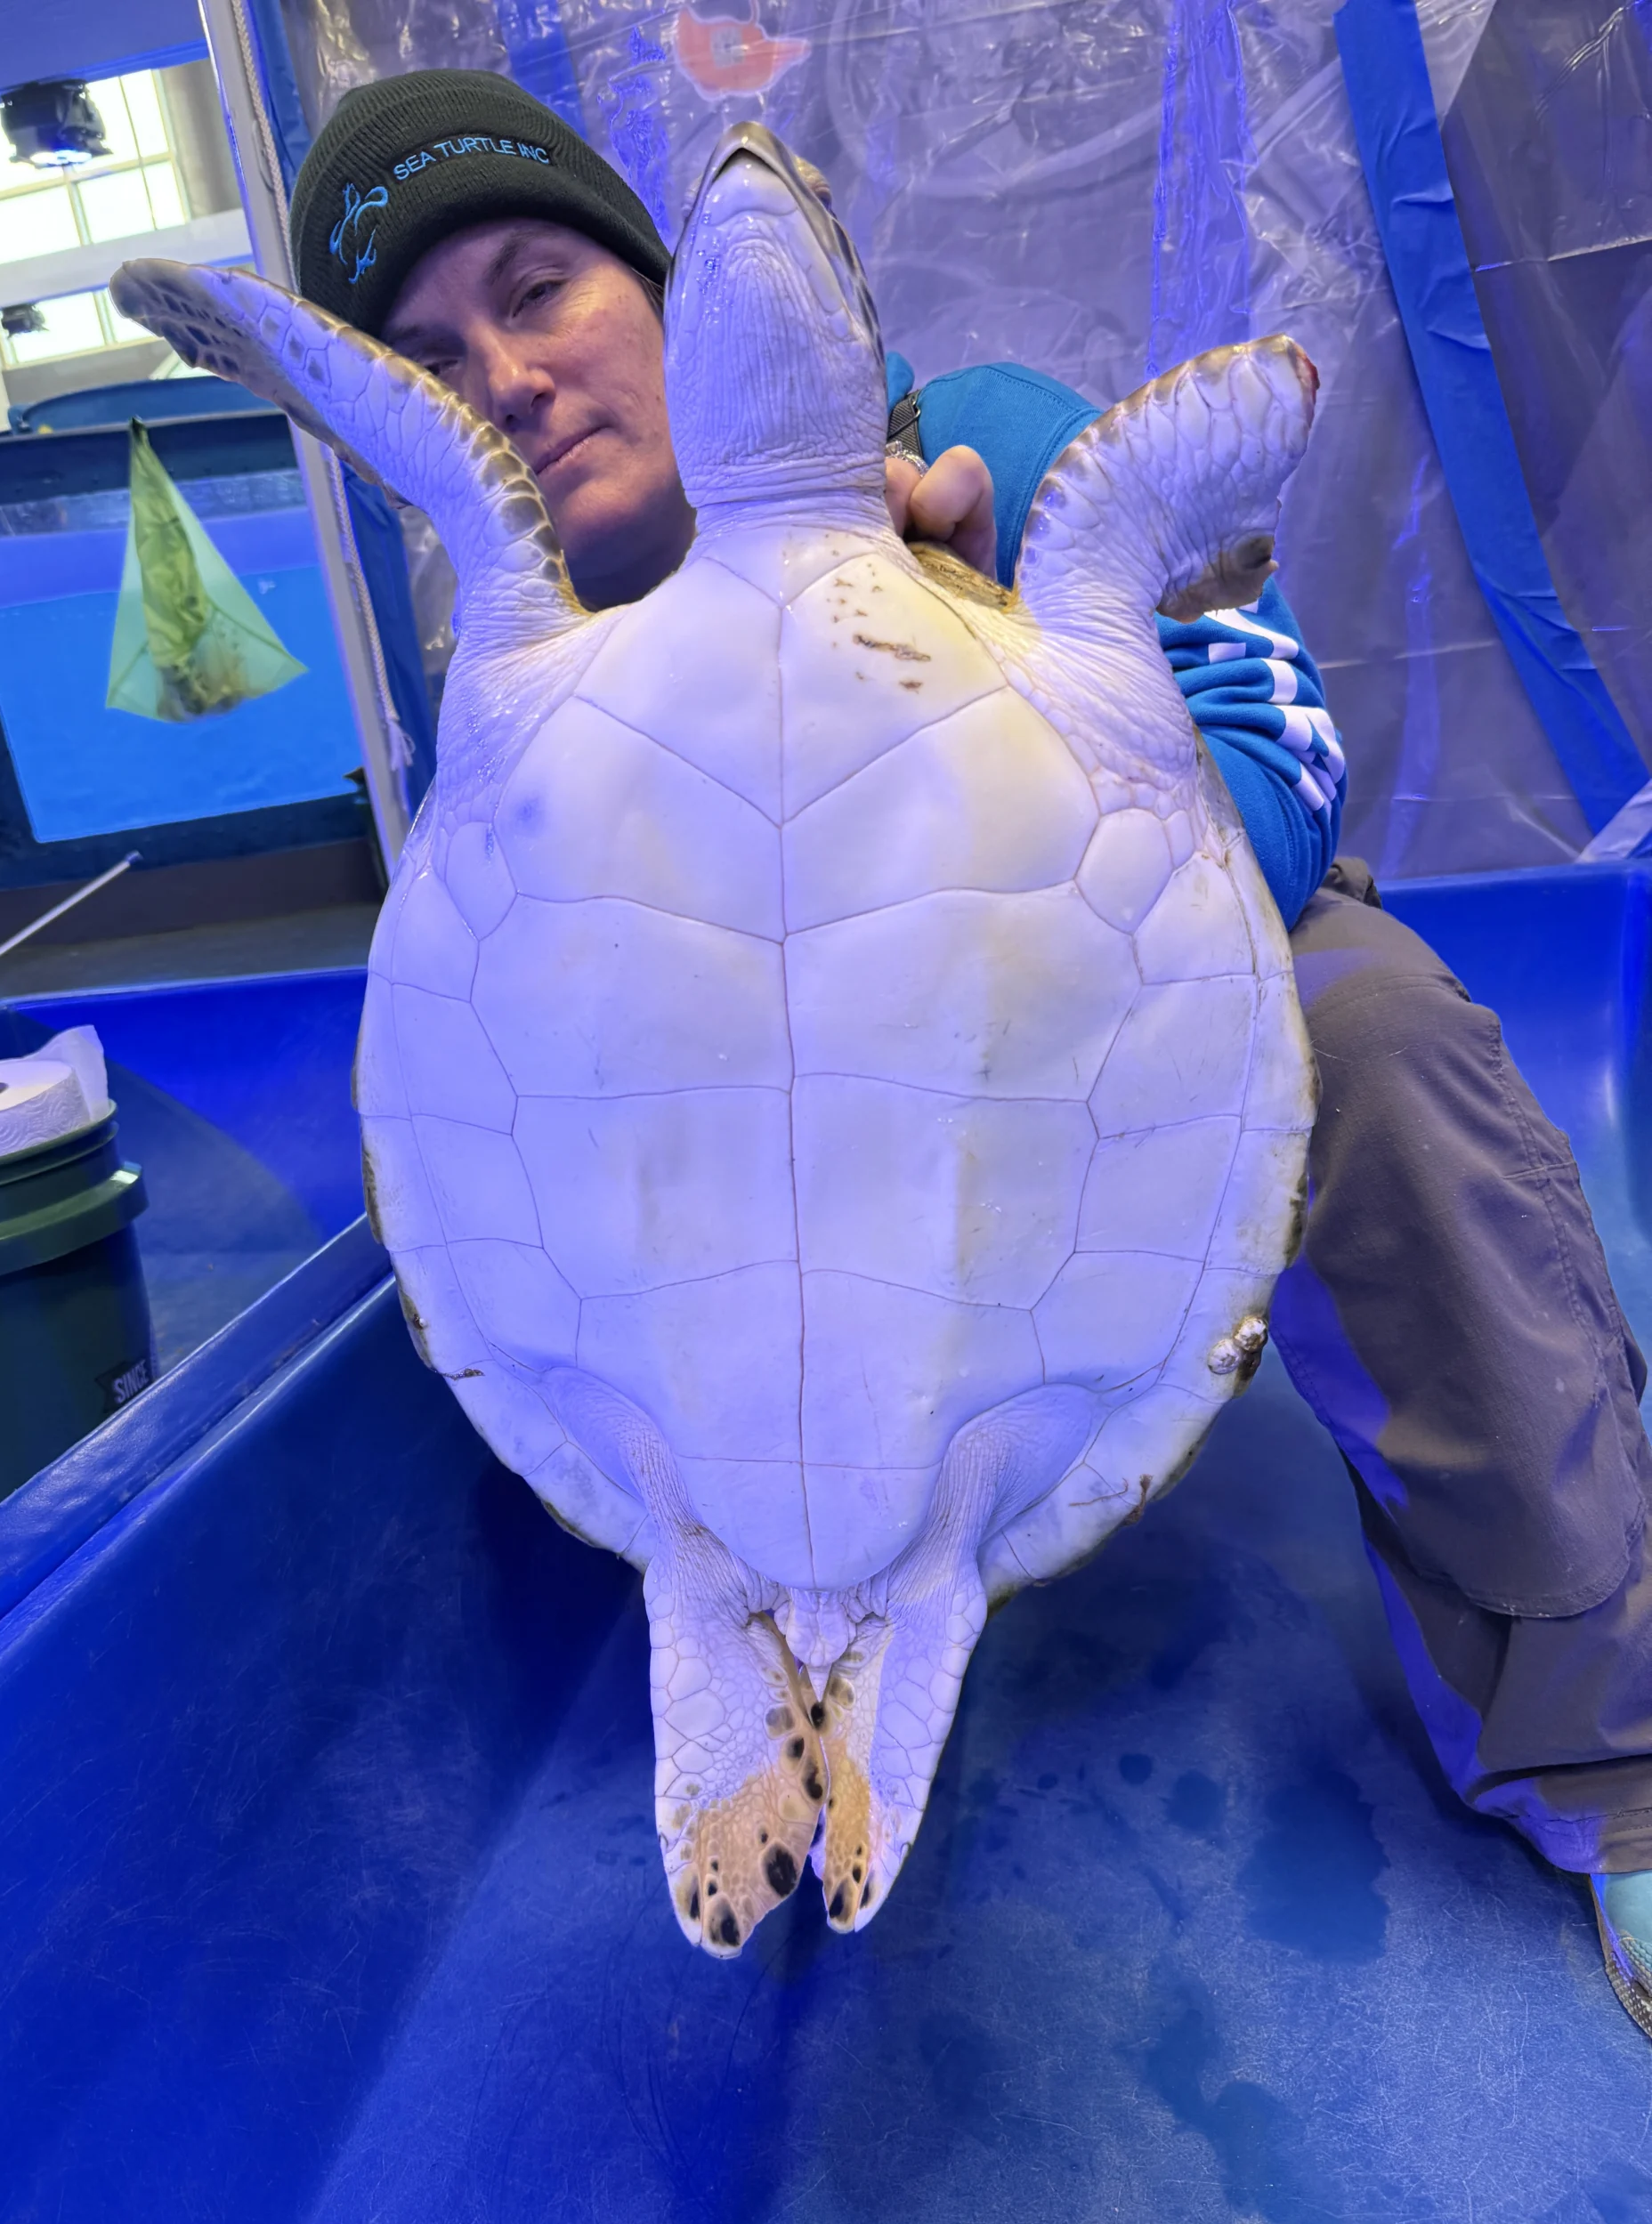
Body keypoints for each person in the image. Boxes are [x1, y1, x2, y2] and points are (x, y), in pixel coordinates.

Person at [288, 68, 1652, 2036]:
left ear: (666, 296)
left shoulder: (1000, 451)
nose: (507, 378)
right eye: (427, 364)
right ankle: (764, 1620)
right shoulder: (526, 658)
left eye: (540, 289)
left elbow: (1282, 751)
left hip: (1073, 1086)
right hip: (768, 1223)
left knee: (1374, 1028)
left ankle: (1614, 1749)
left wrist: (1029, 671)